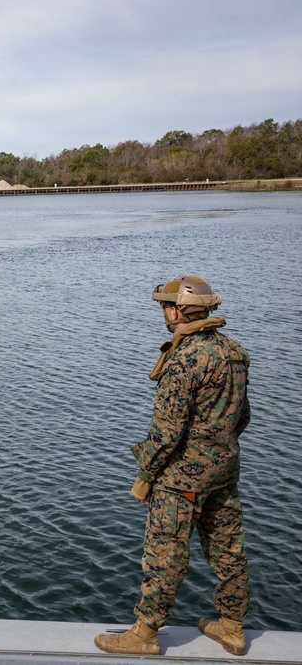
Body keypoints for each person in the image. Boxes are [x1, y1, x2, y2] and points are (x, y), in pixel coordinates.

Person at [95, 276, 251, 656]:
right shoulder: (234, 352)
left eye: (166, 306)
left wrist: (144, 477)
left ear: (177, 310)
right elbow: (242, 418)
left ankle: (145, 633)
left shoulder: (183, 360)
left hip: (181, 477)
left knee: (165, 553)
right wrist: (216, 449)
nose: (164, 312)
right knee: (227, 550)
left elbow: (166, 433)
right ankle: (232, 628)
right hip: (224, 470)